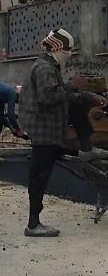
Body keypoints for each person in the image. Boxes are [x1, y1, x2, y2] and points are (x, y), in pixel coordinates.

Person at [17, 27, 106, 238]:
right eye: (68, 51)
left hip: (49, 127)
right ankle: (33, 224)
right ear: (58, 49)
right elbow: (50, 97)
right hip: (43, 129)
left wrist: (90, 97)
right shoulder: (44, 69)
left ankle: (86, 149)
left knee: (76, 107)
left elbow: (65, 95)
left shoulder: (49, 67)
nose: (69, 55)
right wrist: (71, 86)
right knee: (39, 175)